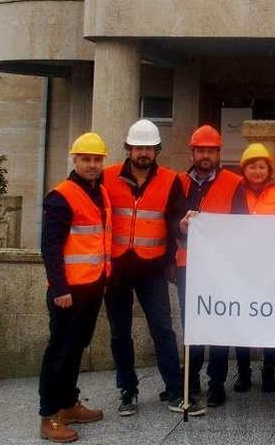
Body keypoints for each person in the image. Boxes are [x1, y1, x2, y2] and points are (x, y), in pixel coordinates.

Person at [102, 120, 187, 417]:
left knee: (163, 329)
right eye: (138, 147)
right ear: (128, 148)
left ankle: (175, 390)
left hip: (152, 267)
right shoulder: (107, 176)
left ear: (157, 151)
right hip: (118, 268)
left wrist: (183, 227)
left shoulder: (171, 179)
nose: (143, 153)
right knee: (119, 333)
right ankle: (128, 389)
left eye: (149, 149)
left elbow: (176, 219)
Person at [39, 132, 112, 442]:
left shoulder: (99, 192)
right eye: (86, 159)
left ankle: (69, 403)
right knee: (60, 351)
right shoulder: (62, 195)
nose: (92, 165)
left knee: (75, 348)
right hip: (68, 291)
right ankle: (50, 414)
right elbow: (50, 247)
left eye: (97, 160)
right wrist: (60, 288)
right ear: (75, 160)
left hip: (92, 286)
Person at [176, 125, 245, 410]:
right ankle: (190, 384)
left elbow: (242, 224)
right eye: (200, 150)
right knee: (191, 327)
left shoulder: (234, 182)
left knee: (219, 325)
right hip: (187, 265)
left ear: (219, 153)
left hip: (220, 267)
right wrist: (180, 228)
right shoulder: (178, 182)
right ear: (192, 152)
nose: (205, 155)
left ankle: (217, 383)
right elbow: (168, 221)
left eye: (211, 151)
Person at [232, 143, 275, 395]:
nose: (256, 171)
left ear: (269, 169)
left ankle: (268, 370)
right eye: (252, 166)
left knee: (270, 320)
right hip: (241, 267)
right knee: (243, 321)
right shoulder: (235, 192)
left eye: (261, 166)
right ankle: (244, 372)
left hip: (272, 267)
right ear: (244, 169)